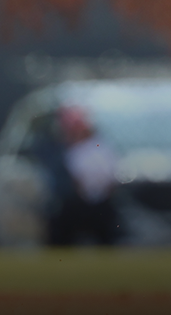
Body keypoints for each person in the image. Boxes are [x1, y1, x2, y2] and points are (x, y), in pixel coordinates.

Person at [46, 105, 121, 246]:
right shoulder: (67, 150)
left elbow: (104, 178)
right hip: (79, 202)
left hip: (93, 203)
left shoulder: (95, 148)